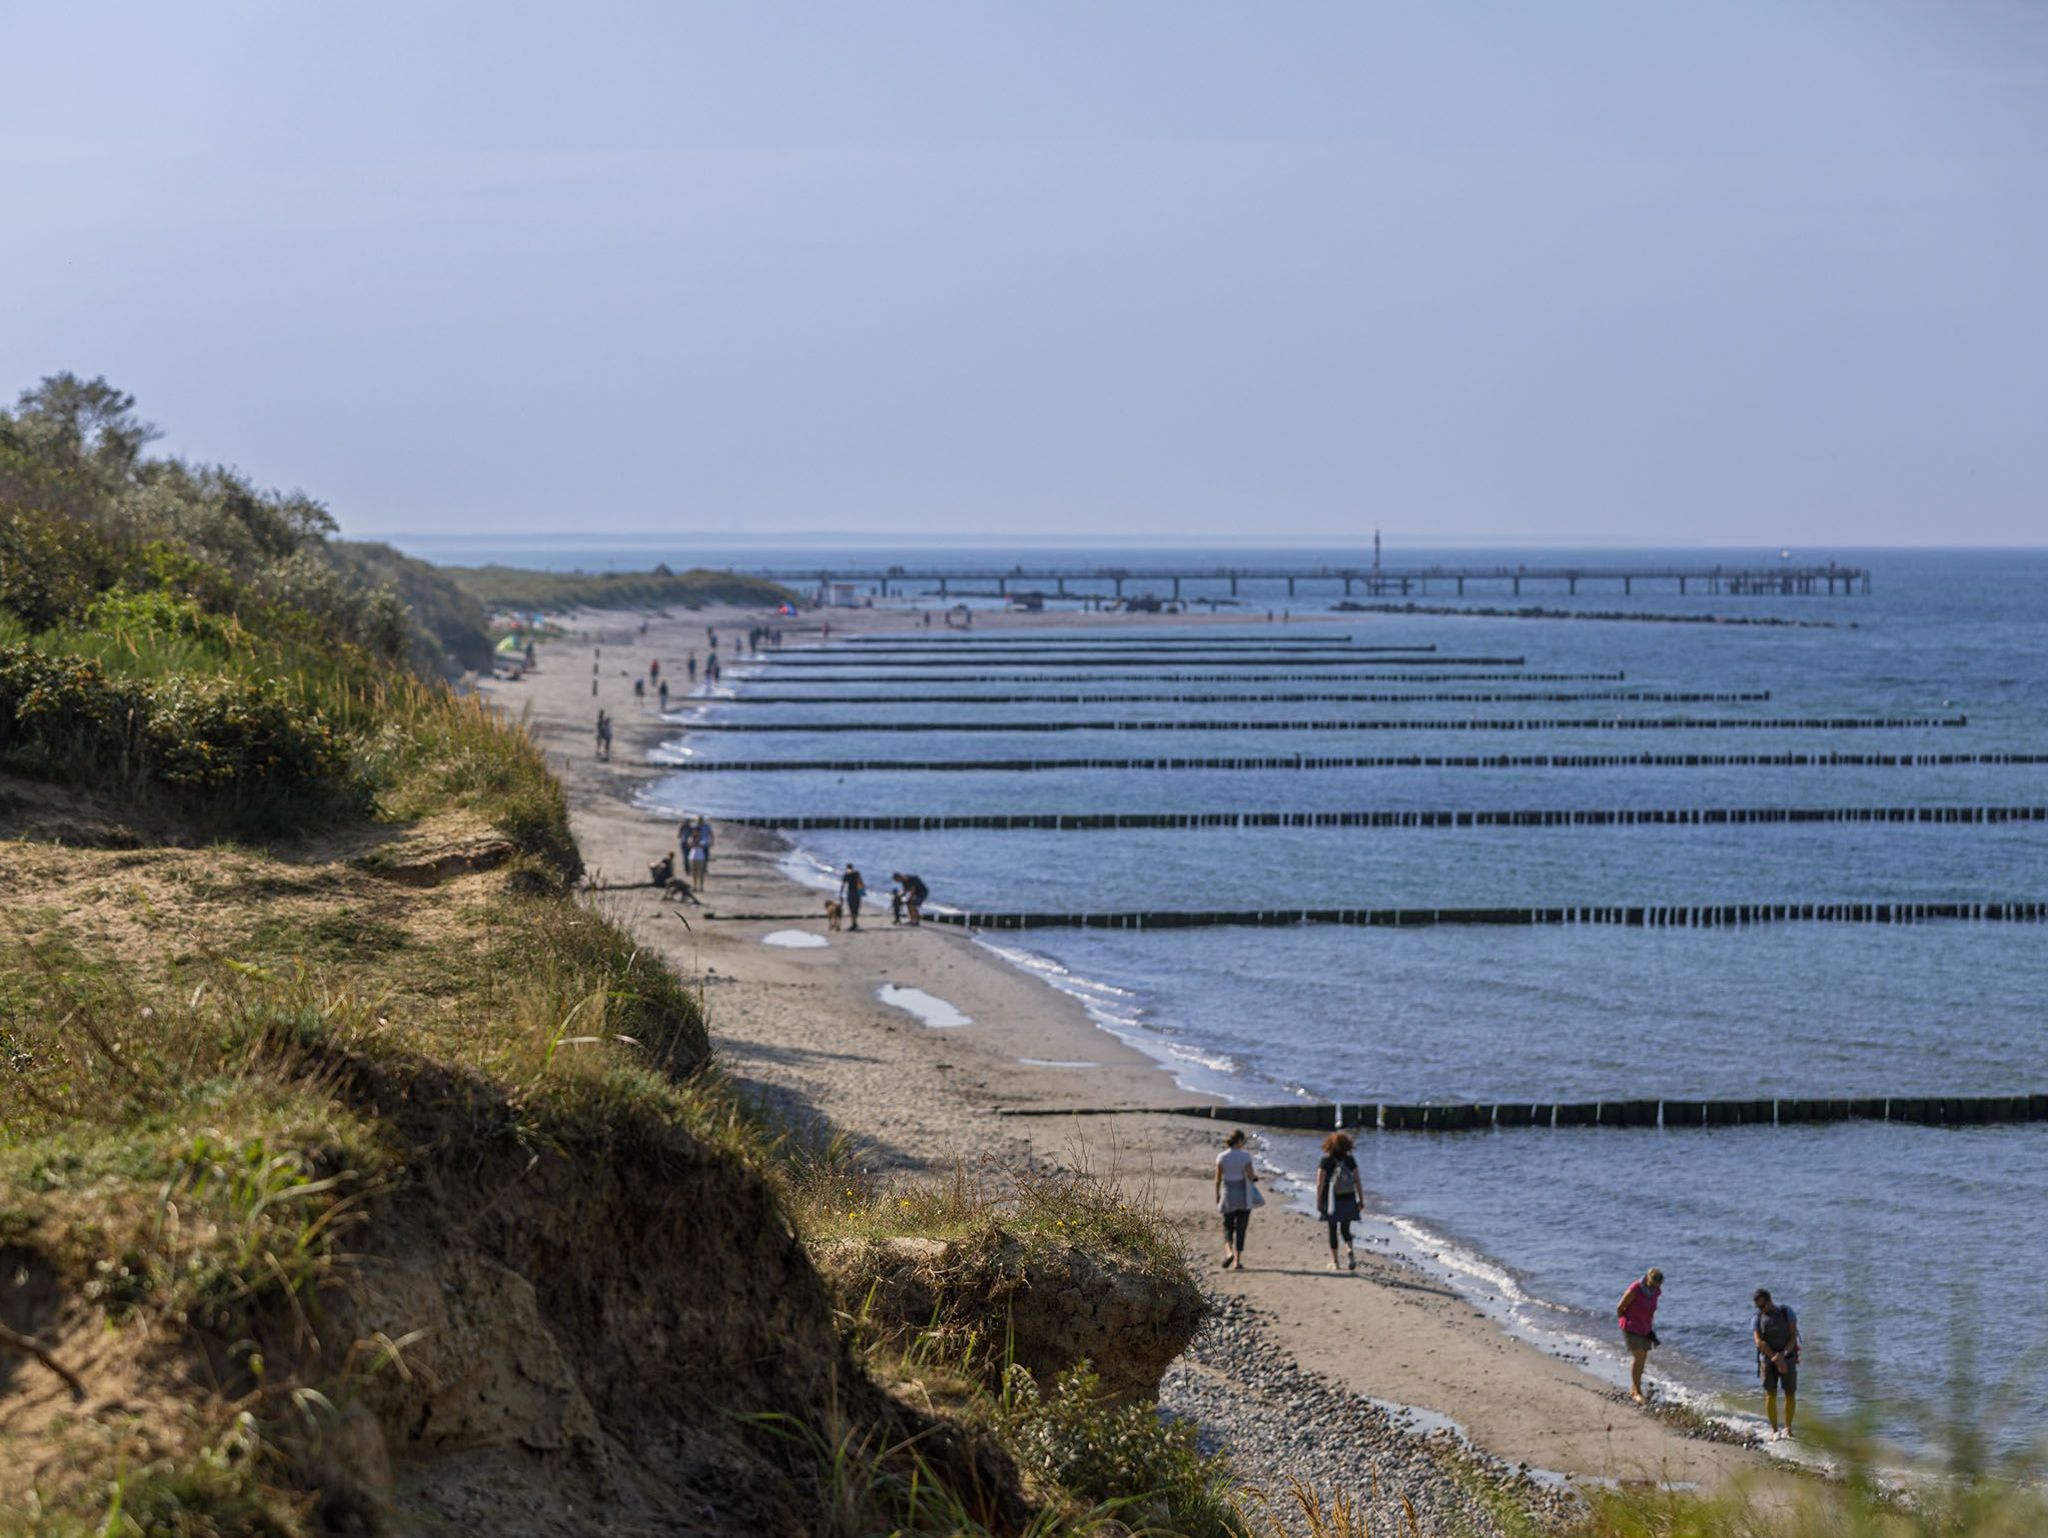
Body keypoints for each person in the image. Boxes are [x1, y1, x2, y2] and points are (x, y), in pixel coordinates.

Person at [1752, 1289, 1801, 1438]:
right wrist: (1774, 1357)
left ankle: (1788, 1428)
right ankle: (1774, 1430)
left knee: (1790, 1392)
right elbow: (1758, 1342)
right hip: (1767, 1360)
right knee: (1770, 1393)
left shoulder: (1787, 1312)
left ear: (1770, 1300)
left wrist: (1783, 1354)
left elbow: (1793, 1336)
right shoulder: (1757, 1318)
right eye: (1758, 1307)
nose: (1761, 1309)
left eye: (1763, 1305)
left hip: (1788, 1357)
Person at [1315, 1131, 1363, 1271]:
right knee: (1346, 1229)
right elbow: (1357, 1181)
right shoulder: (1350, 1160)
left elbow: (1320, 1183)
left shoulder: (1326, 1161)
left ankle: (1335, 1262)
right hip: (1348, 1198)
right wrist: (1361, 1199)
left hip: (1331, 1200)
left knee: (1332, 1229)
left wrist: (1318, 1201)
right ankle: (1349, 1250)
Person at [1213, 1129, 1260, 1270]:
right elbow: (1251, 1175)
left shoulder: (1221, 1157)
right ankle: (1236, 1262)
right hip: (1243, 1194)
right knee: (1241, 1228)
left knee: (1227, 1226)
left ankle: (1228, 1253)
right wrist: (1255, 1178)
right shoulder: (1245, 1156)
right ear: (1239, 1141)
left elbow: (1217, 1179)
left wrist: (1217, 1195)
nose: (1244, 1144)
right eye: (1243, 1141)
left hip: (1228, 1193)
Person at [1617, 1267, 1665, 1404]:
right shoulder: (1635, 1289)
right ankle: (1636, 1391)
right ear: (1649, 1279)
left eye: (1659, 1285)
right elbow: (1620, 1307)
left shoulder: (1656, 1292)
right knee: (1639, 1356)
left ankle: (1634, 1388)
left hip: (1645, 1328)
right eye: (1655, 1284)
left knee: (1643, 1358)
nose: (1657, 1287)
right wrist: (1625, 1322)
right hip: (1631, 1326)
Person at [838, 863, 866, 930]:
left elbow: (843, 885)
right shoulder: (856, 873)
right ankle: (854, 923)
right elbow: (861, 882)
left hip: (850, 893)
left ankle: (854, 923)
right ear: (852, 867)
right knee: (856, 908)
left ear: (847, 868)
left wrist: (841, 894)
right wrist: (862, 891)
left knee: (851, 908)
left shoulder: (846, 875)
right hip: (857, 892)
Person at [685, 820, 709, 890]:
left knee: (701, 872)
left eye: (696, 831)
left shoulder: (702, 838)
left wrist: (696, 843)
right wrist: (695, 843)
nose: (695, 832)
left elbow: (702, 845)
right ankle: (695, 886)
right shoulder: (691, 838)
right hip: (692, 856)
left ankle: (701, 886)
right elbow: (689, 845)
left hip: (700, 857)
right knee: (693, 872)